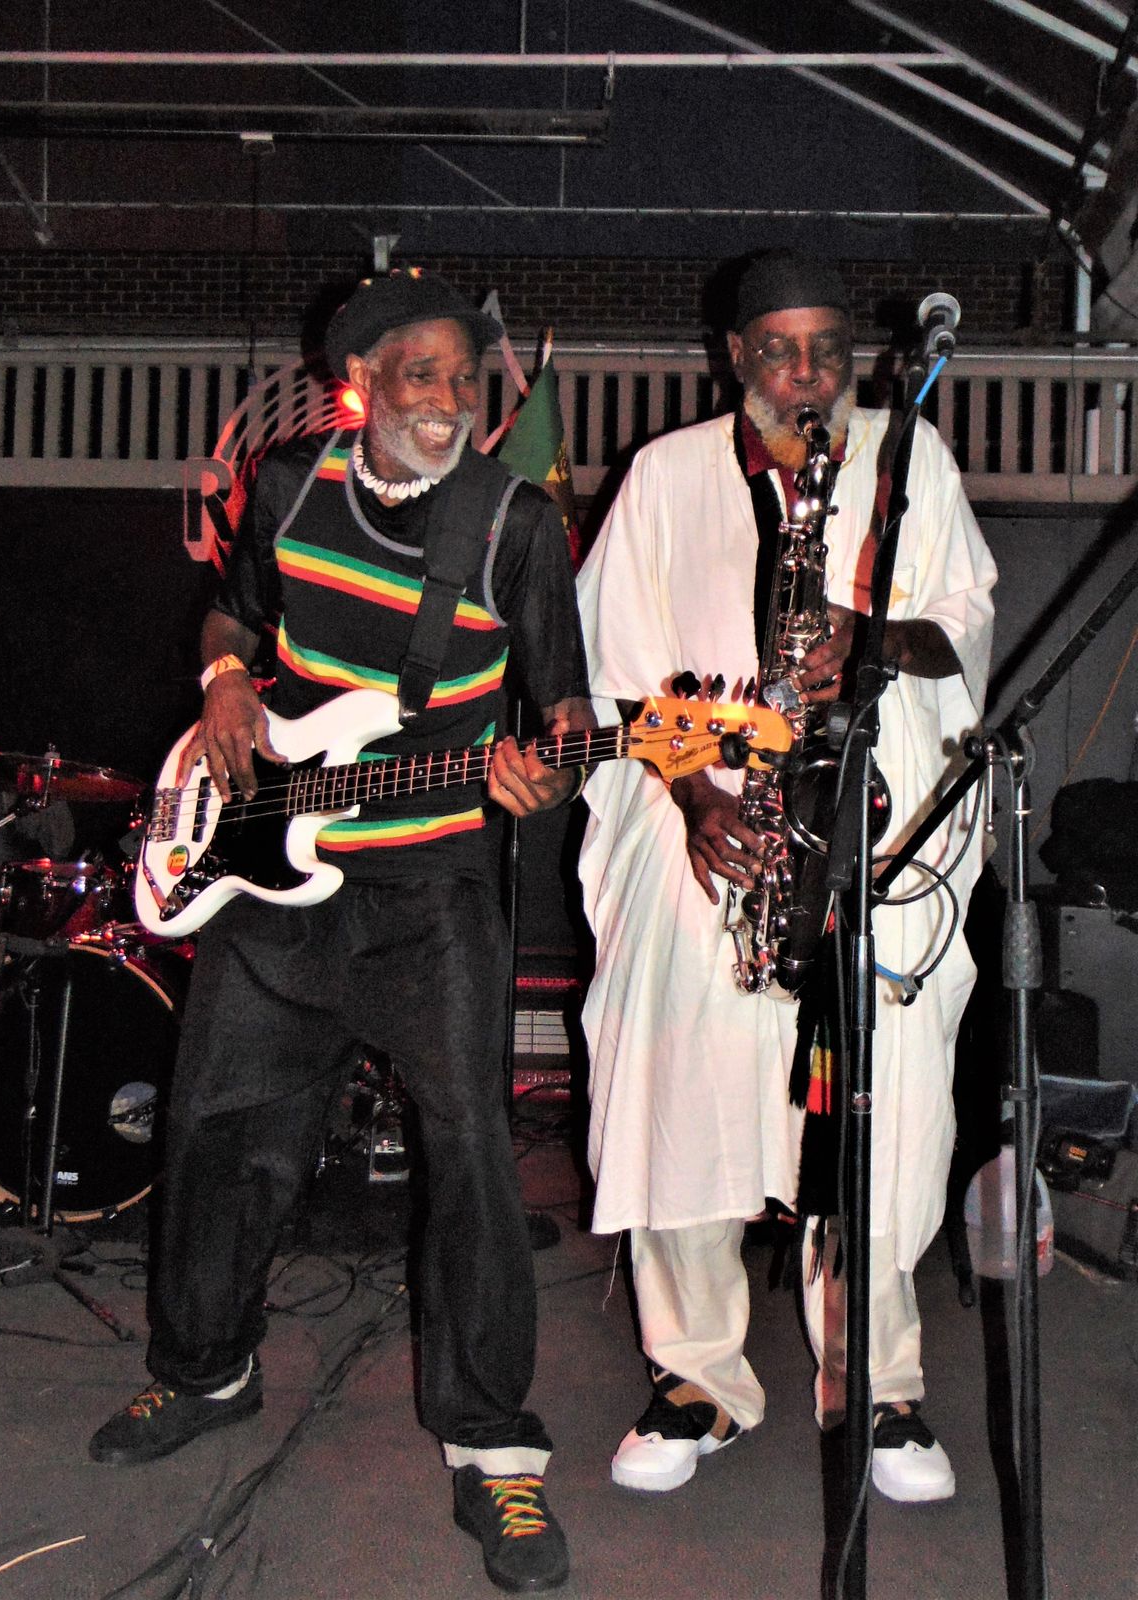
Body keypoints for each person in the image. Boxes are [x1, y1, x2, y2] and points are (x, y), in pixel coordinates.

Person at [89, 267, 593, 1595]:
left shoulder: (516, 524)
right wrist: (225, 680)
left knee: (472, 1154)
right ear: (362, 380)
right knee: (219, 1128)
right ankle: (206, 1369)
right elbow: (233, 611)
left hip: (431, 884)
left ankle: (494, 1449)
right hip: (271, 868)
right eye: (422, 373)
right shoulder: (289, 485)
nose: (449, 398)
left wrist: (549, 772)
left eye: (466, 378)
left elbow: (567, 714)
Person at [575, 250, 997, 1504]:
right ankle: (697, 1377)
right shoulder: (665, 477)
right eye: (779, 349)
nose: (806, 374)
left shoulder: (911, 461)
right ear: (735, 359)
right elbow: (613, 670)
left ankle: (876, 1384)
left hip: (868, 827)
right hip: (709, 827)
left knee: (876, 1103)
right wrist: (693, 798)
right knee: (680, 1086)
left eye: (826, 350)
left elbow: (965, 620)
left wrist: (872, 638)